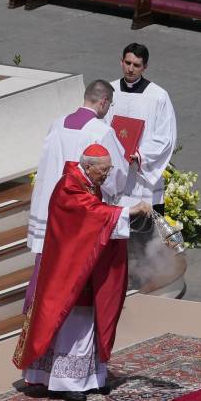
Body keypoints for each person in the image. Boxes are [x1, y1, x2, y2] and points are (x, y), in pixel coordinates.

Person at [14, 142, 152, 401]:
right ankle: (63, 380)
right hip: (66, 270)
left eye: (109, 170)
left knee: (87, 321)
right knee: (70, 323)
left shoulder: (89, 182)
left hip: (83, 264)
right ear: (88, 166)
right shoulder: (69, 186)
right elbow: (89, 214)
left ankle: (89, 377)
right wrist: (128, 210)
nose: (107, 175)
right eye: (104, 170)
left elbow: (96, 215)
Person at [26, 79, 126, 264]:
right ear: (103, 101)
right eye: (109, 104)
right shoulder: (102, 131)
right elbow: (116, 176)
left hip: (51, 201)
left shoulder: (57, 124)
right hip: (80, 206)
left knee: (48, 262)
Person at [107, 42, 178, 216]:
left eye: (136, 65)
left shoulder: (158, 96)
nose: (130, 69)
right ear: (121, 62)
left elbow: (166, 137)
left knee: (143, 233)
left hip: (141, 171)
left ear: (144, 67)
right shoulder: (110, 90)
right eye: (127, 63)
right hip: (114, 169)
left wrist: (140, 156)